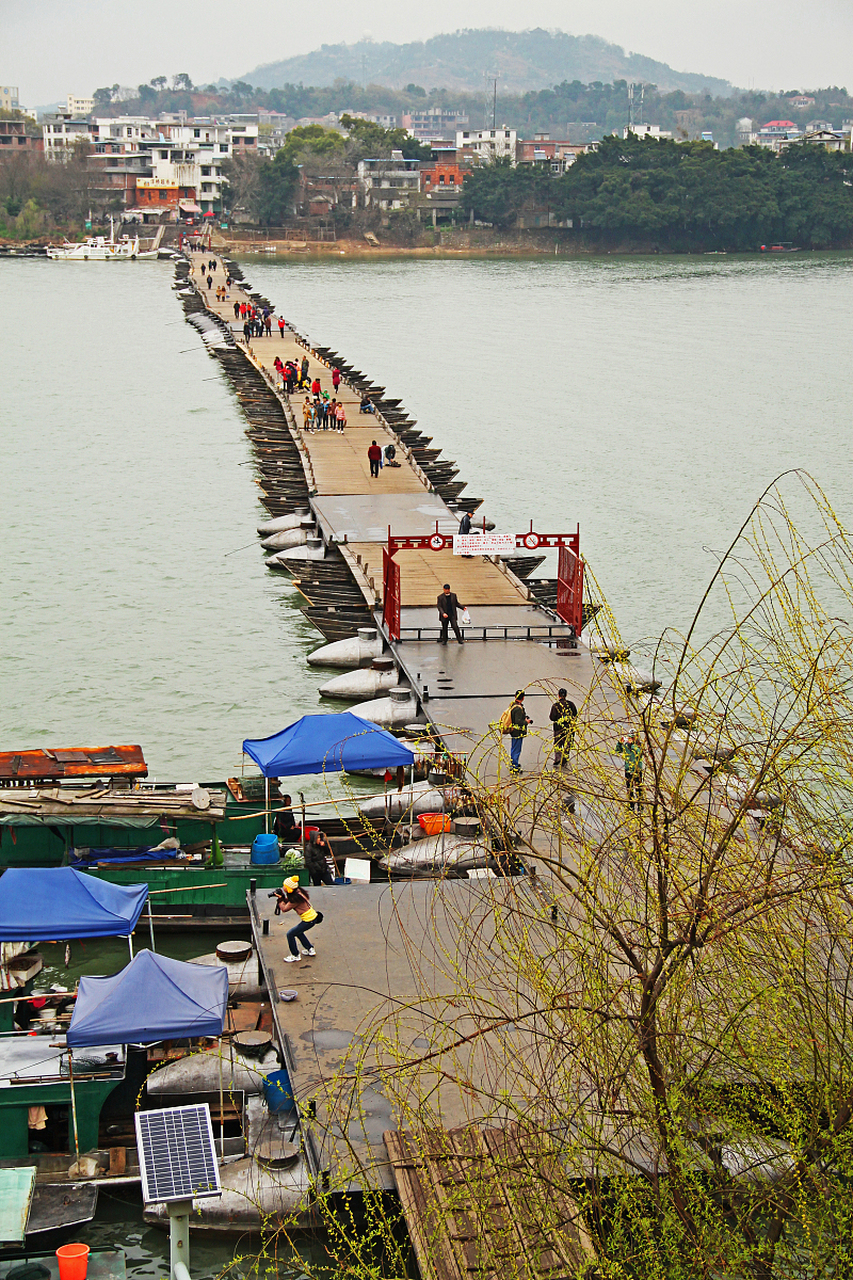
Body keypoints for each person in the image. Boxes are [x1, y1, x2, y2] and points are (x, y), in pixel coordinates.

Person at [275, 877, 323, 962]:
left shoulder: (295, 899)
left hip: (308, 920)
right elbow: (289, 901)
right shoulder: (298, 892)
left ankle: (295, 955)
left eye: (284, 886)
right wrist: (282, 897)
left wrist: (280, 900)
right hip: (312, 918)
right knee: (298, 932)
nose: (283, 887)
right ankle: (310, 949)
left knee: (290, 934)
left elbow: (284, 908)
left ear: (289, 888)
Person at [549, 688, 578, 769]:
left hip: (558, 728)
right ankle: (565, 757)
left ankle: (558, 757)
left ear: (558, 695)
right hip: (568, 728)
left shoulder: (556, 705)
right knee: (567, 743)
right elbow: (575, 715)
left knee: (558, 743)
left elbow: (552, 717)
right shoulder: (571, 705)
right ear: (566, 695)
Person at [616, 731, 644, 812]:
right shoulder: (626, 745)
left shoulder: (639, 745)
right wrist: (620, 743)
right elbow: (618, 750)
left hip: (637, 770)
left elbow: (639, 753)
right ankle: (631, 806)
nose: (630, 739)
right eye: (629, 737)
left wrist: (633, 746)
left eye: (632, 737)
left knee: (638, 789)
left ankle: (640, 806)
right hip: (628, 770)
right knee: (629, 789)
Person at [508, 690, 532, 774]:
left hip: (514, 731)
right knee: (516, 749)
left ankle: (513, 764)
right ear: (523, 698)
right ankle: (514, 766)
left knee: (514, 748)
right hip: (517, 732)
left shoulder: (513, 705)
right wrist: (526, 722)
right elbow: (518, 721)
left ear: (515, 696)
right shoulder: (518, 708)